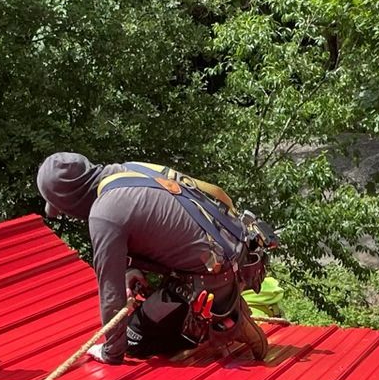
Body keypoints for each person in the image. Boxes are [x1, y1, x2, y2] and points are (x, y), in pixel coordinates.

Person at [35, 153, 273, 363]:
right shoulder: (129, 170)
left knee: (134, 340)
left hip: (212, 282)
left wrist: (111, 352)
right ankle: (222, 308)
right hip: (245, 257)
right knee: (155, 310)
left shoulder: (104, 213)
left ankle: (225, 326)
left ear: (70, 200)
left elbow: (111, 295)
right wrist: (132, 270)